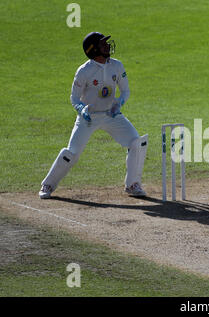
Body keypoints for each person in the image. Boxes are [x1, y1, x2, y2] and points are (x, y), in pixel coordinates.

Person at [39, 32, 148, 199]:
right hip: (88, 118)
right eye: (103, 44)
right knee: (72, 154)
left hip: (111, 115)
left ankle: (133, 184)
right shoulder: (84, 71)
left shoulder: (117, 66)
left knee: (136, 142)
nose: (108, 45)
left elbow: (125, 90)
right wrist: (82, 110)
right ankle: (48, 184)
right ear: (94, 50)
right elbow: (74, 97)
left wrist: (119, 104)